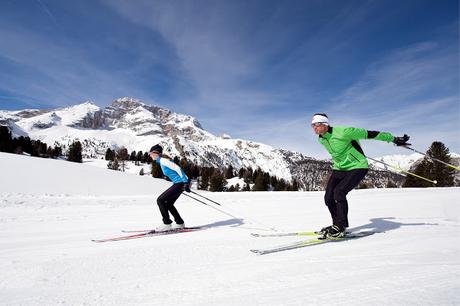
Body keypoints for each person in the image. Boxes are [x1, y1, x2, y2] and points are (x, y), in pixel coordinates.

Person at [311, 113, 410, 238]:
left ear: (325, 124)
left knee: (339, 192)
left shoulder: (344, 132)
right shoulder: (321, 138)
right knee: (328, 198)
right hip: (340, 168)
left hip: (357, 166)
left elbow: (370, 134)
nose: (314, 127)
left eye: (317, 124)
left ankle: (341, 227)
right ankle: (336, 225)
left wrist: (394, 139)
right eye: (312, 125)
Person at [149, 144, 191, 232]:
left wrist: (186, 182)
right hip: (179, 183)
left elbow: (178, 168)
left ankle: (166, 223)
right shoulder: (161, 161)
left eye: (151, 153)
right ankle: (179, 222)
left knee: (160, 200)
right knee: (168, 203)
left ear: (156, 153)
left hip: (180, 183)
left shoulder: (164, 160)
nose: (150, 155)